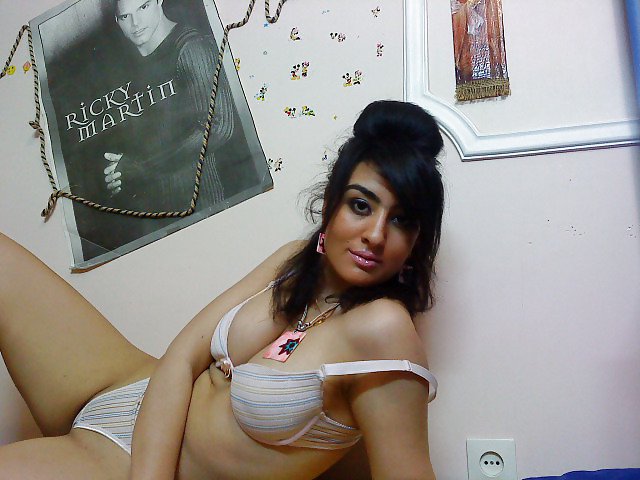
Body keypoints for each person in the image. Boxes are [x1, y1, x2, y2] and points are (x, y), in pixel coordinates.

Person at [0, 100, 445, 479]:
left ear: (416, 241)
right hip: (134, 387)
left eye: (401, 220)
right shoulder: (293, 261)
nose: (376, 235)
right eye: (361, 205)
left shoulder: (382, 330)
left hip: (122, 463)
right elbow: (183, 356)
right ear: (330, 205)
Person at [102, 0, 235, 213]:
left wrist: (142, 168)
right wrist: (117, 174)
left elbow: (218, 127)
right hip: (156, 214)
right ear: (117, 20)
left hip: (202, 208)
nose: (135, 23)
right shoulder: (125, 67)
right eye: (125, 16)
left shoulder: (191, 47)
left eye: (143, 7)